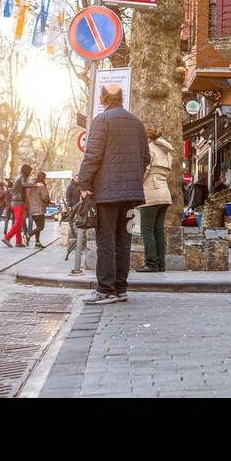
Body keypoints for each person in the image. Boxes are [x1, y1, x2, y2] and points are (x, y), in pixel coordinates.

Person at [77, 84, 149, 304]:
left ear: (102, 98)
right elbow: (146, 158)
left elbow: (93, 156)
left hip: (107, 194)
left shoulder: (102, 120)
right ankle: (120, 288)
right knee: (123, 240)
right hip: (130, 196)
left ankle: (105, 290)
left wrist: (84, 182)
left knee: (106, 240)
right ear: (121, 98)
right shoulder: (137, 123)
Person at [137, 127, 174, 273]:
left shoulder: (149, 149)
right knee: (158, 230)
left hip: (150, 193)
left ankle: (151, 263)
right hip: (165, 193)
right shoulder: (166, 151)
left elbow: (145, 171)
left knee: (147, 229)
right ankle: (160, 263)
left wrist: (136, 185)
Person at [2, 163, 33, 248]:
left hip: (16, 202)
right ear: (26, 171)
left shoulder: (18, 176)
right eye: (30, 171)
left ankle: (18, 242)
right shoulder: (22, 176)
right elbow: (25, 184)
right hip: (18, 202)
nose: (30, 173)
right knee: (18, 222)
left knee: (18, 222)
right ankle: (7, 237)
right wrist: (35, 185)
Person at [25, 169, 49, 249]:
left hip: (32, 209)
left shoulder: (33, 186)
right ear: (43, 178)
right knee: (41, 227)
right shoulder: (42, 186)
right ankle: (28, 235)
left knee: (38, 227)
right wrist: (48, 200)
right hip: (39, 209)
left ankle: (37, 243)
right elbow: (44, 197)